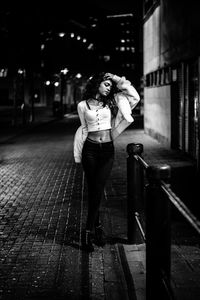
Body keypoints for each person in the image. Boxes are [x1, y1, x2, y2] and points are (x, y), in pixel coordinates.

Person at [74, 72, 140, 252]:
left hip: (107, 151)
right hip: (90, 150)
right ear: (97, 84)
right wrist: (78, 153)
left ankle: (87, 231)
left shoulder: (114, 101)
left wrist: (118, 79)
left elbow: (134, 96)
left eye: (111, 85)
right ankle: (98, 228)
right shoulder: (82, 105)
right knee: (93, 189)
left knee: (98, 187)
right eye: (106, 84)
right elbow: (84, 129)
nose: (109, 87)